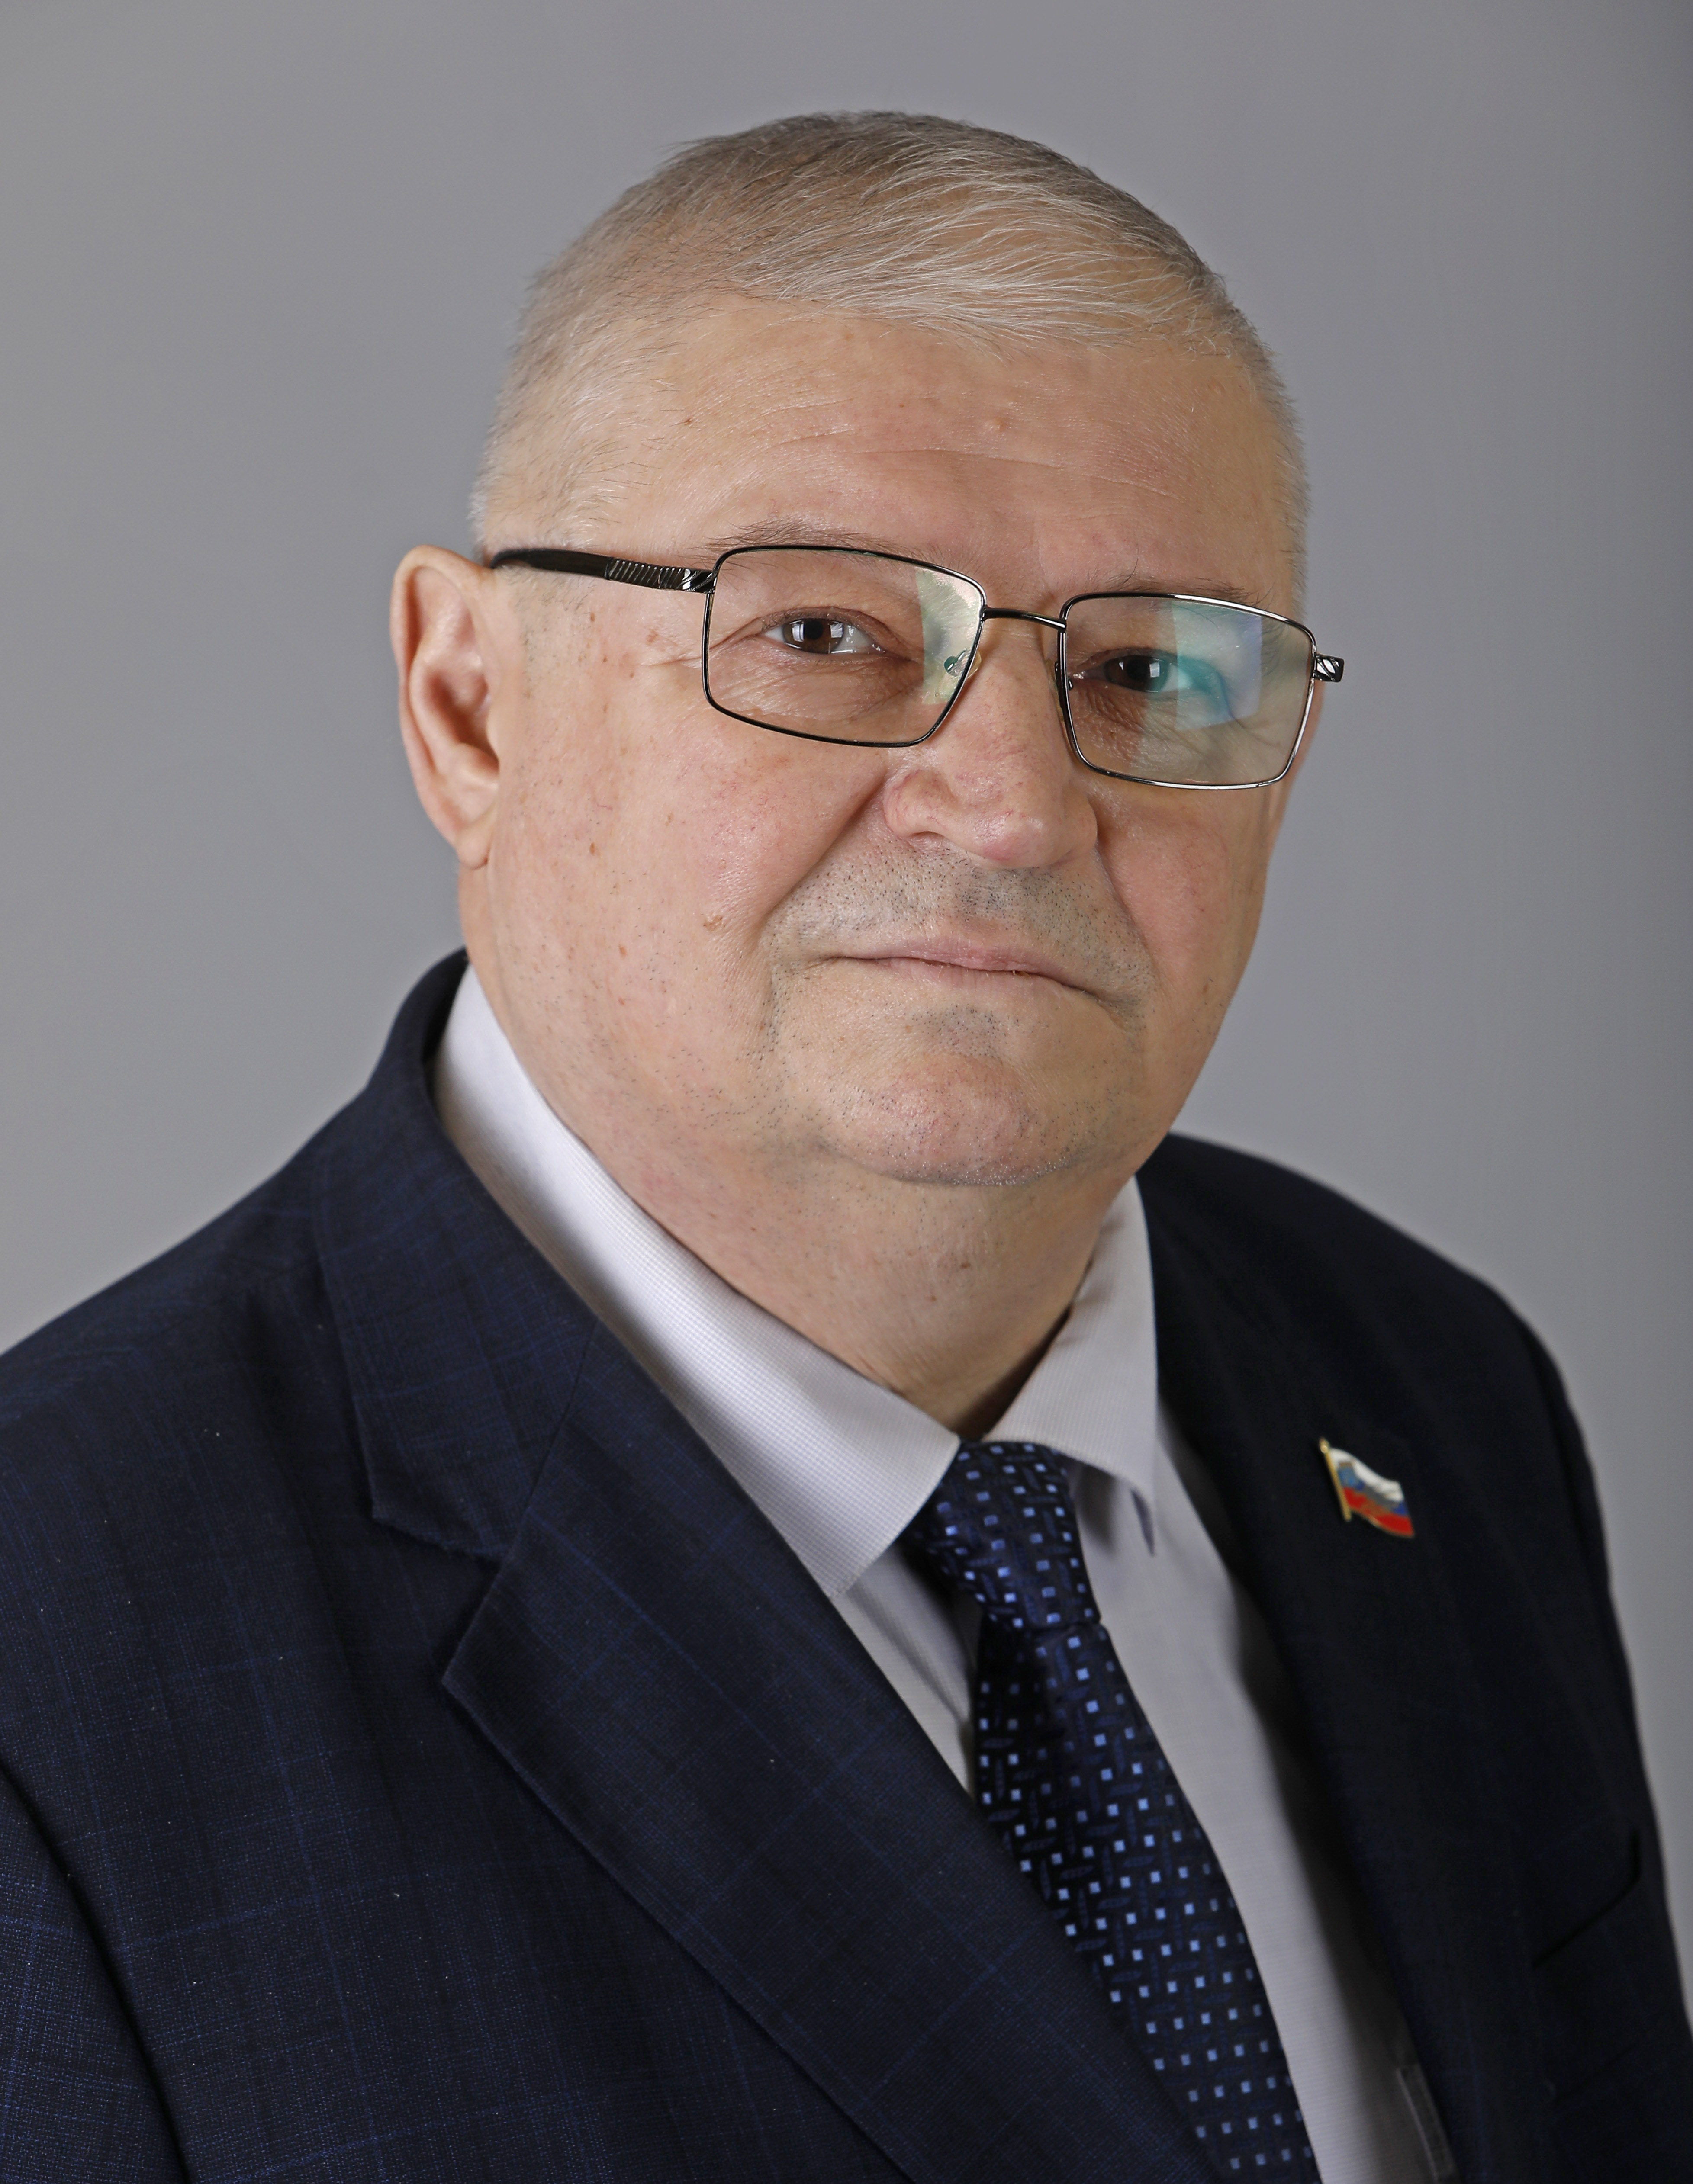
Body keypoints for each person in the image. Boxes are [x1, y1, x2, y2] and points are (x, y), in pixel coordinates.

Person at [0, 112, 1684, 2184]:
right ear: (470, 708)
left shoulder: (1432, 1387)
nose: (1015, 805)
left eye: (1150, 669)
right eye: (822, 634)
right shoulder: (50, 1676)